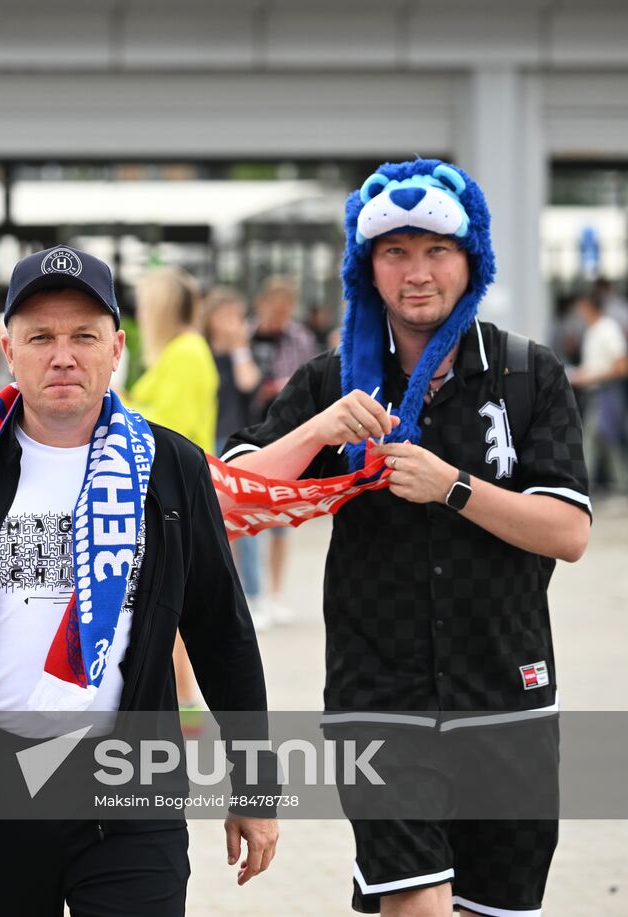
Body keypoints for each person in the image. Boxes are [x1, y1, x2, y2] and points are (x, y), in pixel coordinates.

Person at [0, 245, 278, 916]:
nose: (63, 355)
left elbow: (223, 632)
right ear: (8, 352)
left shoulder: (171, 468)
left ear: (116, 347)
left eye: (84, 335)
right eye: (40, 336)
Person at [224, 159, 591, 916]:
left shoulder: (528, 373)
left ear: (471, 260)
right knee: (416, 904)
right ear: (368, 267)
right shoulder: (333, 379)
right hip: (378, 696)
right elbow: (234, 499)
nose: (416, 272)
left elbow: (570, 530)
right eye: (395, 252)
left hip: (508, 696)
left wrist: (452, 486)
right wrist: (322, 428)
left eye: (436, 251)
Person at [125, 266, 219, 727]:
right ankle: (184, 703)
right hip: (163, 496)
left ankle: (185, 704)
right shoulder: (179, 353)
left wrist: (119, 405)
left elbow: (170, 429)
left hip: (174, 500)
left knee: (174, 608)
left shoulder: (185, 354)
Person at [247, 275, 321, 624]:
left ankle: (274, 594)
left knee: (278, 520)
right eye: (274, 308)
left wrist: (280, 387)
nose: (279, 315)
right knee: (244, 522)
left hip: (283, 436)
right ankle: (252, 593)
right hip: (245, 434)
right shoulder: (244, 335)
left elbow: (308, 381)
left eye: (285, 309)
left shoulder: (300, 337)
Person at [203, 286, 264, 617]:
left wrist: (240, 347)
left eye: (237, 316)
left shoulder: (241, 354)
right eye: (226, 315)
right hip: (207, 439)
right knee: (214, 526)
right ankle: (222, 598)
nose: (232, 322)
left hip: (236, 443)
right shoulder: (200, 352)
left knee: (245, 521)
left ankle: (254, 595)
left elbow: (248, 383)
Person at [570, 289, 628, 491]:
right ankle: (620, 485)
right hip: (594, 392)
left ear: (589, 307)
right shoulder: (593, 330)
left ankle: (584, 487)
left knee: (596, 439)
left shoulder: (607, 329)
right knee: (607, 440)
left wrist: (590, 376)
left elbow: (622, 365)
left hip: (606, 392)